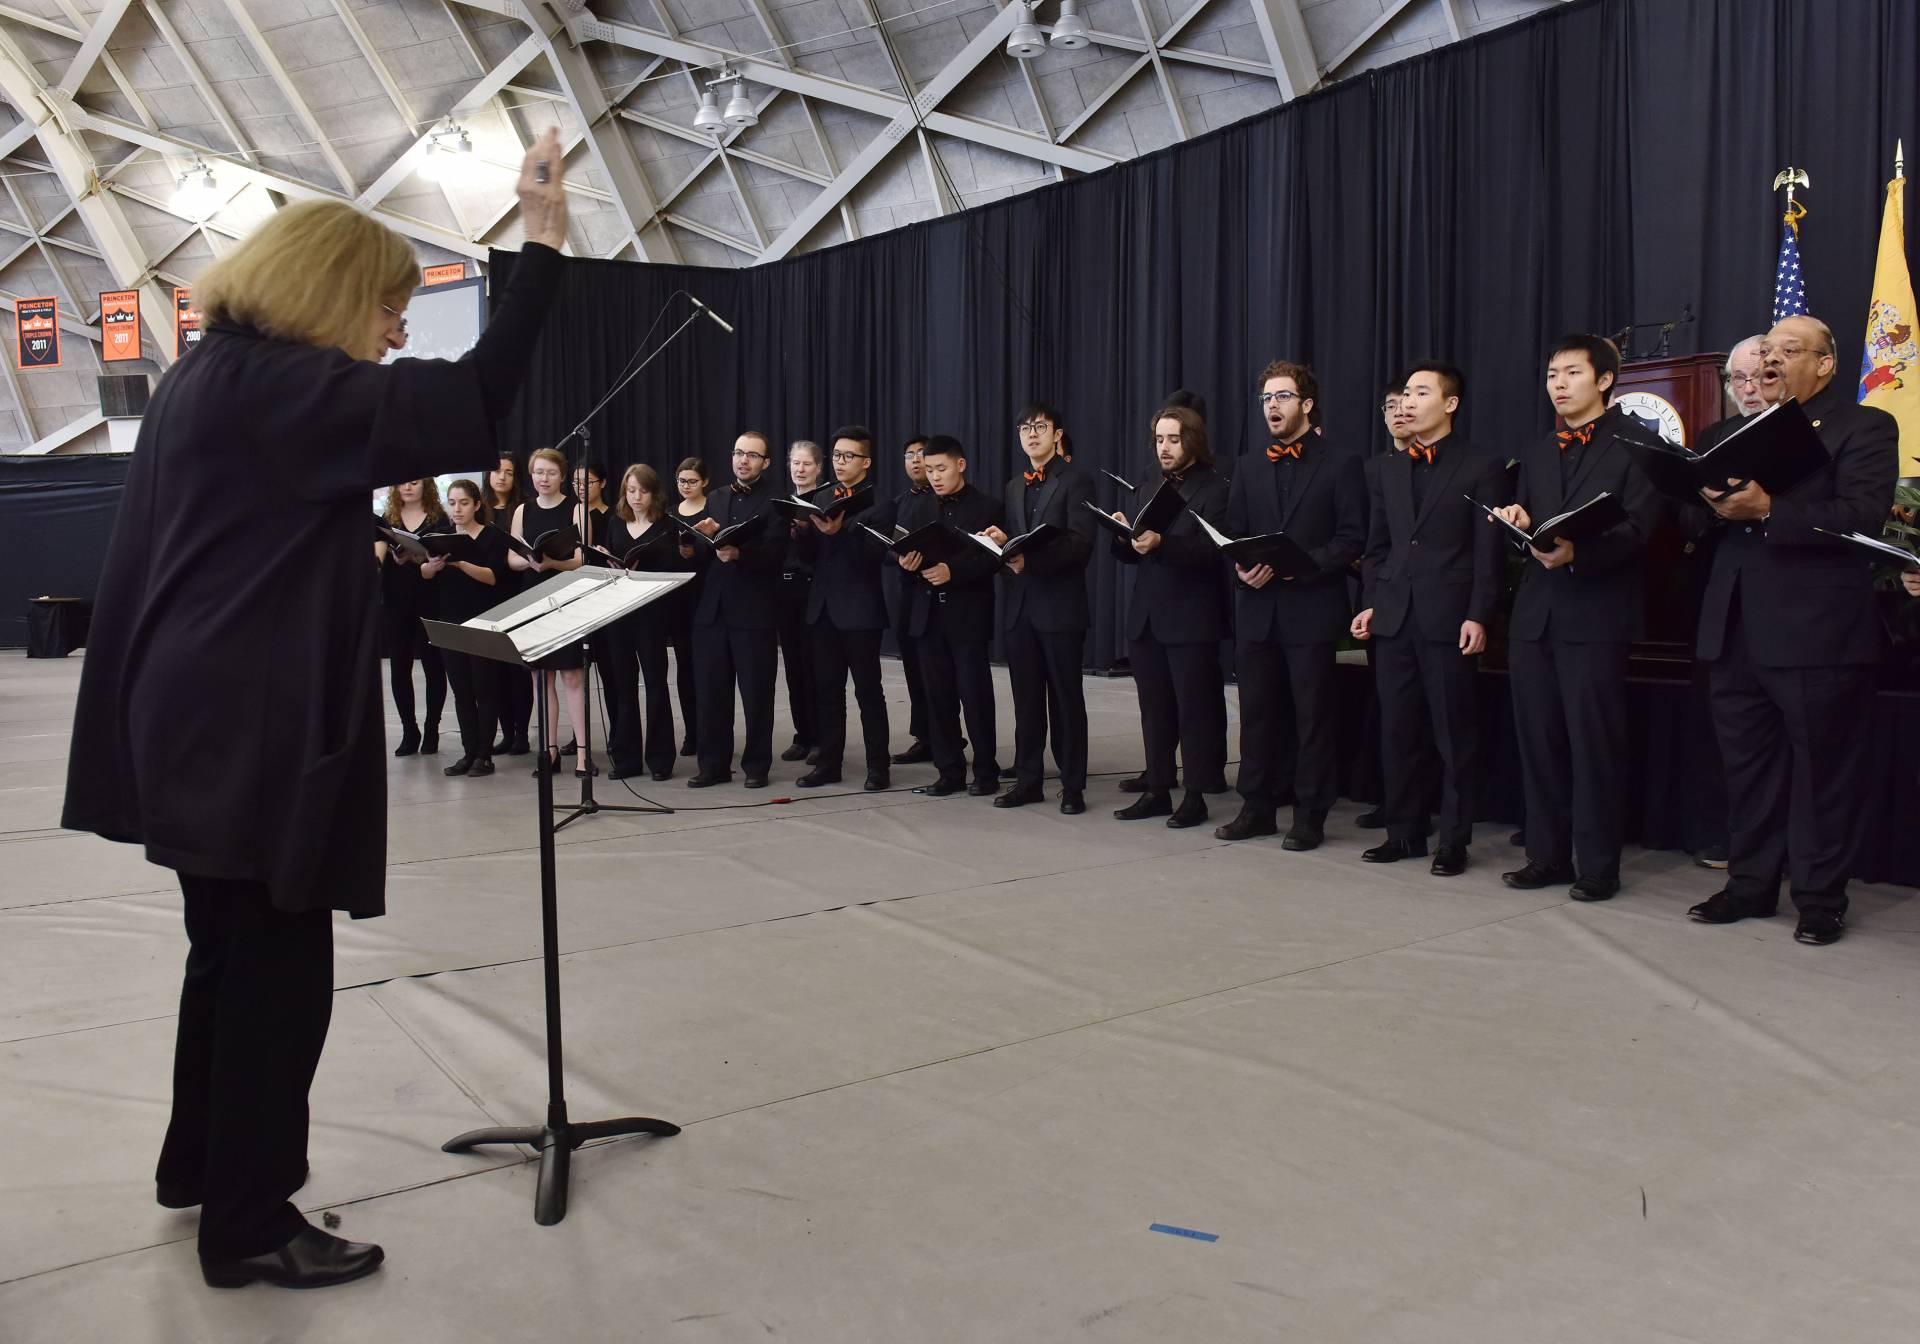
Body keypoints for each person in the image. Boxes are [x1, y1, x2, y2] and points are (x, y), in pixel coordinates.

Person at [58, 129, 570, 1290]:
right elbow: (477, 394)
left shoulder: (206, 376)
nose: (396, 334)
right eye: (390, 308)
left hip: (187, 715)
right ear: (336, 293)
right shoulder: (282, 388)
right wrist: (538, 244)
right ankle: (250, 1223)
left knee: (223, 958)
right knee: (279, 971)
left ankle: (200, 1169)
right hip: (245, 726)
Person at [1685, 315, 1897, 945]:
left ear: (1826, 364)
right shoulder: (1725, 432)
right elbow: (1689, 523)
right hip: (1734, 626)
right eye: (1765, 352)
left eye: (1789, 352)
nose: (1770, 363)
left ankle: (1819, 898)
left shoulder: (1863, 426)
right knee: (1748, 768)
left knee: (1822, 772)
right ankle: (1749, 886)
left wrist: (1770, 508)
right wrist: (1698, 497)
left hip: (1817, 632)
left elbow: (1860, 517)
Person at [1492, 335, 1661, 901]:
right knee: (1537, 741)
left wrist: (1579, 553)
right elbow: (1534, 526)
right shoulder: (1539, 450)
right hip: (1536, 615)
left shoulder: (1640, 443)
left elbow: (1641, 530)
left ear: (1606, 380)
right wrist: (1518, 520)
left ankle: (1597, 866)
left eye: (1571, 374)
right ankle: (1546, 855)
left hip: (1597, 615)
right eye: (1551, 375)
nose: (1557, 385)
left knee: (1595, 745)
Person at [1351, 362, 1507, 876]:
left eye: (1421, 393)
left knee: (1453, 735)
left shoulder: (1481, 465)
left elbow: (1489, 552)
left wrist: (1479, 614)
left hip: (1449, 617)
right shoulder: (1385, 469)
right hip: (1394, 615)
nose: (1408, 403)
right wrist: (1371, 601)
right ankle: (1405, 832)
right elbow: (1377, 548)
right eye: (1404, 395)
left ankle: (1454, 841)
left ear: (1451, 403)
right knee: (1398, 731)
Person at [1215, 361, 1366, 849]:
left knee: (1312, 717)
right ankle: (1256, 806)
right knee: (1257, 714)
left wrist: (1297, 566)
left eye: (1283, 397)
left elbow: (1350, 540)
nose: (1273, 406)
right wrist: (1241, 566)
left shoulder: (1341, 462)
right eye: (1266, 399)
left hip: (1311, 610)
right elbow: (1233, 532)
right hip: (1257, 610)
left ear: (1306, 404)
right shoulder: (1248, 464)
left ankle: (1310, 814)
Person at [1111, 405, 1229, 828]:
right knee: (1154, 708)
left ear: (1192, 440)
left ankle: (1195, 795)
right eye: (1159, 439)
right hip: (1147, 614)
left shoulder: (1215, 488)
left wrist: (1162, 543)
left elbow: (1213, 551)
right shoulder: (1147, 483)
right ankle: (1158, 788)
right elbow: (1130, 553)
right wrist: (1123, 534)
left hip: (1191, 615)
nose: (1164, 447)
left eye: (1173, 439)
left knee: (1193, 711)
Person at [985, 401, 1094, 814]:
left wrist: (1031, 560)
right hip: (1020, 607)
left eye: (1040, 427)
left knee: (1067, 700)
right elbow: (1019, 538)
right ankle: (1028, 780)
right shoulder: (1014, 485)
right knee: (1026, 700)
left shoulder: (1076, 479)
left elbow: (1080, 544)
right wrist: (1002, 539)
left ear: (1057, 434)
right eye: (1025, 428)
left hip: (1060, 606)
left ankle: (1073, 785)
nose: (1032, 434)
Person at [902, 436, 1004, 797]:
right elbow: (898, 552)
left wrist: (952, 572)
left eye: (941, 469)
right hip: (926, 614)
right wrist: (904, 562)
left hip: (967, 614)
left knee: (975, 696)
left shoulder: (988, 506)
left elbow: (993, 560)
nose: (934, 477)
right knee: (937, 696)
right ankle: (948, 771)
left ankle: (986, 771)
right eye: (928, 470)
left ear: (960, 465)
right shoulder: (919, 508)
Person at [688, 431, 788, 788]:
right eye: (738, 453)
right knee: (711, 693)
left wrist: (740, 554)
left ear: (766, 463)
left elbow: (777, 553)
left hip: (753, 610)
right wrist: (694, 546)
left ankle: (757, 765)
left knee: (757, 693)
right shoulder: (714, 497)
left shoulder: (776, 501)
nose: (743, 460)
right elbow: (706, 553)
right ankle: (712, 764)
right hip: (712, 610)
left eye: (752, 455)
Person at [801, 425, 893, 790]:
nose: (840, 462)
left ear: (866, 462)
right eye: (836, 456)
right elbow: (809, 559)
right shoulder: (821, 496)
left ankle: (878, 767)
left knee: (868, 692)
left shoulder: (880, 503)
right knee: (827, 690)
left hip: (860, 610)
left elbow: (873, 558)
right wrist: (803, 532)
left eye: (849, 456)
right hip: (822, 608)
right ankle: (829, 764)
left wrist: (836, 533)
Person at [507, 446, 592, 778]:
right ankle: (549, 752)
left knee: (572, 677)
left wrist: (553, 562)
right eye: (538, 472)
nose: (544, 478)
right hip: (533, 597)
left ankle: (583, 756)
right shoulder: (521, 511)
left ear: (562, 476)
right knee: (541, 680)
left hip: (566, 598)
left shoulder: (576, 508)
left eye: (551, 472)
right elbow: (511, 557)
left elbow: (583, 559)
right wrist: (530, 561)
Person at [422, 478, 510, 778]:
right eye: (452, 502)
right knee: (460, 690)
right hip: (450, 619)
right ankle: (468, 751)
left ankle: (484, 755)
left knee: (484, 688)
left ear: (476, 505)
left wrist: (460, 563)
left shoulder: (492, 536)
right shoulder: (441, 535)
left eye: (463, 503)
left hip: (482, 620)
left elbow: (493, 577)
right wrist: (430, 568)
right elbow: (424, 573)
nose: (457, 509)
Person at [599, 464, 680, 781]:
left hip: (651, 613)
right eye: (630, 490)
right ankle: (626, 758)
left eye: (642, 491)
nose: (635, 497)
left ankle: (660, 759)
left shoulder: (665, 525)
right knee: (622, 686)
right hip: (619, 612)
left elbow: (673, 567)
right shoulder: (616, 522)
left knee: (656, 684)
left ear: (653, 493)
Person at [375, 478, 449, 756]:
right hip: (395, 602)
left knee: (433, 666)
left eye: (414, 482)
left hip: (430, 600)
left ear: (426, 486)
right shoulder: (387, 518)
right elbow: (379, 555)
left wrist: (417, 560)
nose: (407, 487)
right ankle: (409, 729)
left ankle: (432, 729)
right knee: (399, 667)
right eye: (402, 483)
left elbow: (441, 560)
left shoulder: (438, 518)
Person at [888, 435, 937, 765]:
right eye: (909, 455)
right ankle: (924, 736)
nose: (915, 461)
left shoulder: (943, 498)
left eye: (922, 454)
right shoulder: (898, 501)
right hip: (908, 591)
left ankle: (946, 735)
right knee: (913, 669)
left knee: (938, 672)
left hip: (939, 591)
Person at [778, 440, 823, 764]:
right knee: (794, 668)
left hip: (814, 592)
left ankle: (821, 737)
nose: (800, 469)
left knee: (815, 668)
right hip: (786, 593)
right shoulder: (781, 503)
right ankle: (802, 734)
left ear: (819, 468)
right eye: (795, 463)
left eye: (806, 463)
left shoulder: (824, 502)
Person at [484, 453, 531, 756]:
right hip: (487, 593)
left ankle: (523, 734)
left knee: (518, 669)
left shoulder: (521, 509)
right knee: (495, 670)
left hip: (516, 592)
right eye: (497, 471)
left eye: (509, 472)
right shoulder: (480, 509)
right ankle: (507, 731)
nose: (502, 477)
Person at [670, 456, 711, 757]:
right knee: (685, 668)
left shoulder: (713, 510)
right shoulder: (671, 513)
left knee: (709, 670)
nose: (686, 486)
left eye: (692, 481)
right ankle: (692, 732)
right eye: (682, 481)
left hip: (707, 595)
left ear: (705, 482)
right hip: (680, 599)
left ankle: (711, 731)